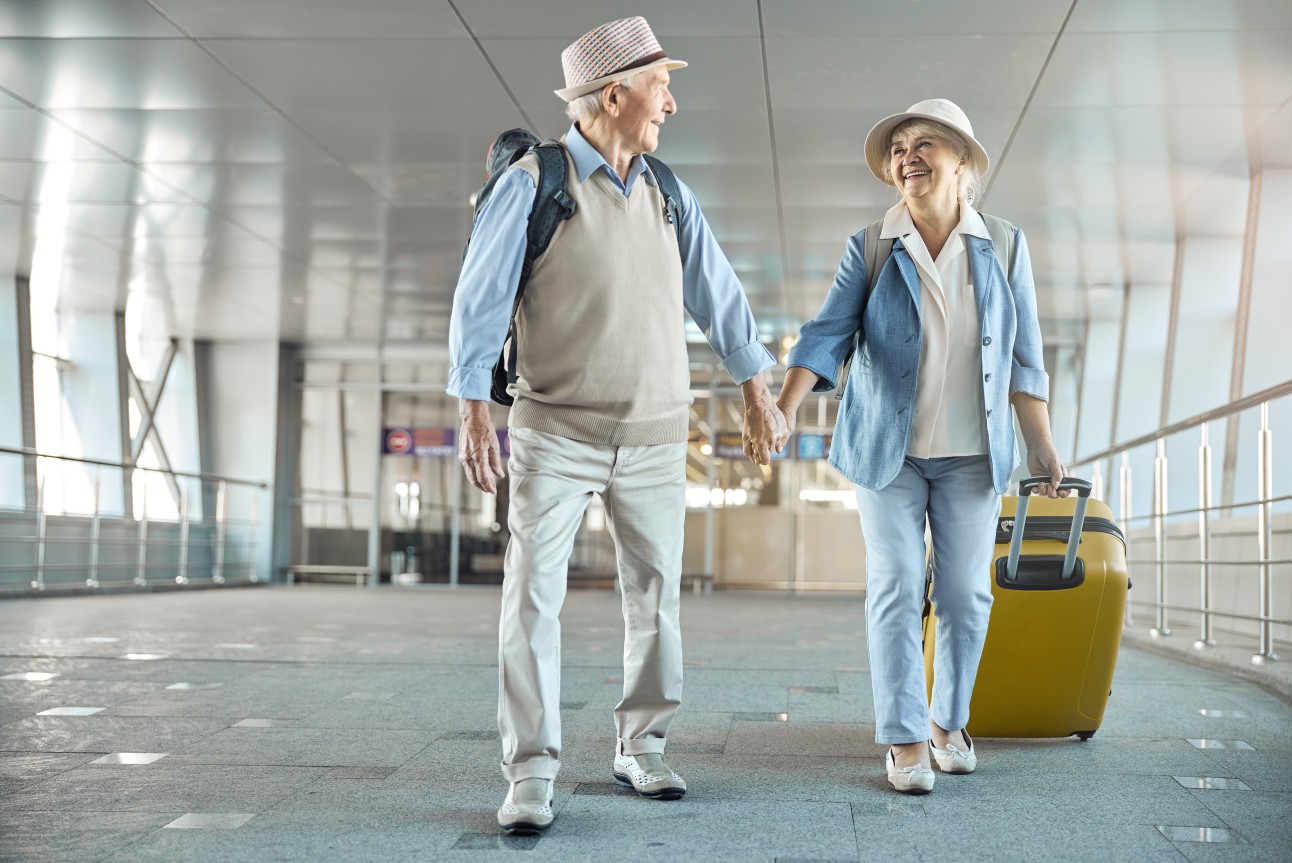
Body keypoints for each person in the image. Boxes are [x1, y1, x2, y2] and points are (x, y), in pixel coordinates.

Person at [447, 16, 786, 833]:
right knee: (531, 597)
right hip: (553, 433)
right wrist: (472, 408)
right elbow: (479, 298)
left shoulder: (671, 192)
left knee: (656, 596)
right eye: (660, 85)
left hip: (655, 435)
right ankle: (529, 772)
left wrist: (756, 386)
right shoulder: (535, 182)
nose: (670, 102)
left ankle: (642, 743)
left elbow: (719, 293)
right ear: (614, 94)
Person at [775, 99, 1067, 794]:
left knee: (966, 594)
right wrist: (784, 406)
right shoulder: (873, 245)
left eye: (925, 143)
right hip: (887, 453)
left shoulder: (1005, 245)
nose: (908, 155)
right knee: (898, 584)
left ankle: (948, 723)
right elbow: (826, 335)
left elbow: (1025, 361)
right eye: (900, 146)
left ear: (962, 161)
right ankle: (905, 737)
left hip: (973, 457)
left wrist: (1043, 445)